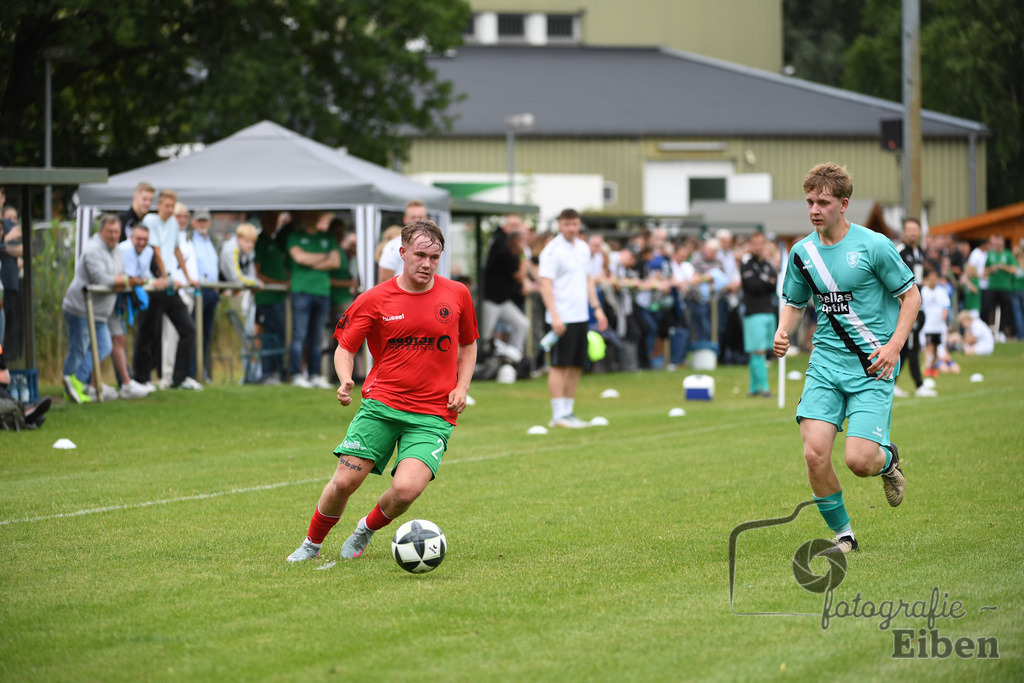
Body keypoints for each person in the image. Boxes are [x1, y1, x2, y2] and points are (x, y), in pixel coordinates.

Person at [286, 219, 478, 562]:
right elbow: (345, 348)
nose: (427, 264)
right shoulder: (375, 299)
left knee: (406, 490)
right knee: (344, 482)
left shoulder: (457, 294)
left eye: (434, 257)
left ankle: (366, 530)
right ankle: (311, 544)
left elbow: (468, 344)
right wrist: (345, 378)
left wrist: (462, 386)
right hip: (382, 405)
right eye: (420, 255)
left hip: (433, 412)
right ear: (402, 253)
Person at [774, 162, 919, 555]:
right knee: (814, 453)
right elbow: (793, 303)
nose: (814, 210)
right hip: (825, 364)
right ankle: (845, 537)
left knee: (859, 460)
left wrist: (894, 346)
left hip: (874, 365)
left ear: (844, 204)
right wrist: (783, 330)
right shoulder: (801, 252)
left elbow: (912, 297)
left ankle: (888, 460)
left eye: (823, 202)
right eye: (809, 202)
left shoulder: (874, 245)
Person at [61, 214, 145, 404]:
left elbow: (120, 276)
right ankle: (70, 388)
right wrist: (123, 281)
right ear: (101, 231)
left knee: (105, 346)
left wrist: (121, 281)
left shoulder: (116, 251)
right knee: (78, 349)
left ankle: (77, 381)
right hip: (80, 308)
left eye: (116, 232)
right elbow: (104, 280)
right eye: (110, 231)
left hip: (100, 313)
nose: (114, 235)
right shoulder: (92, 250)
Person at [538, 209, 608, 428]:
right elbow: (545, 285)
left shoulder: (583, 248)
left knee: (577, 365)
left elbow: (588, 281)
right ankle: (557, 415)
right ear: (560, 225)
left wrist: (596, 308)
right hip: (562, 318)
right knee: (560, 365)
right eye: (567, 224)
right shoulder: (551, 251)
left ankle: (568, 412)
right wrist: (555, 315)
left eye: (575, 224)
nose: (571, 228)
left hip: (581, 315)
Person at [135, 189, 201, 390]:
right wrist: (164, 277)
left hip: (168, 286)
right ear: (159, 205)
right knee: (148, 333)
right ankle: (141, 379)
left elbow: (176, 249)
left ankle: (179, 379)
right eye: (166, 205)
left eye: (173, 206)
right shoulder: (151, 220)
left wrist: (189, 277)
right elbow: (155, 251)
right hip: (153, 285)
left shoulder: (173, 224)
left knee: (188, 329)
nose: (170, 210)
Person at [287, 211, 341, 388]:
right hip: (301, 291)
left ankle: (315, 375)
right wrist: (324, 256)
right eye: (308, 215)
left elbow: (336, 262)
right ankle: (296, 374)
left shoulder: (327, 237)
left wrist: (311, 261)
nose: (311, 217)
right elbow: (299, 257)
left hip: (322, 291)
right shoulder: (295, 236)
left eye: (314, 215)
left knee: (317, 336)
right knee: (299, 335)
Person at [160, 203, 200, 389]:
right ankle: (168, 376)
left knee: (186, 334)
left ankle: (180, 376)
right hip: (174, 293)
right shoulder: (168, 238)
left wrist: (193, 280)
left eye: (185, 216)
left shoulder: (188, 239)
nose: (182, 219)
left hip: (189, 293)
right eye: (178, 216)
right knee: (171, 336)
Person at [481, 215, 531, 360]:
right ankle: (481, 364)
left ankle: (513, 357)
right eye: (513, 226)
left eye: (518, 227)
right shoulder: (501, 244)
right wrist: (523, 255)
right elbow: (519, 274)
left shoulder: (509, 244)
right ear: (505, 227)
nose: (516, 231)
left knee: (522, 324)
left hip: (503, 300)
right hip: (490, 300)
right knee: (485, 335)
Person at [894, 218, 930, 397]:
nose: (913, 233)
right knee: (908, 345)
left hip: (919, 305)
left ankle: (899, 383)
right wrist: (903, 305)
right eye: (910, 230)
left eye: (916, 230)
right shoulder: (900, 251)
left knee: (912, 344)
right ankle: (917, 384)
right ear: (904, 232)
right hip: (906, 306)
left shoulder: (920, 252)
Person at [254, 214, 290, 384]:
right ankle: (267, 373)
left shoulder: (274, 241)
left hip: (278, 297)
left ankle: (275, 372)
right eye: (268, 219)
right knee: (271, 335)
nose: (271, 223)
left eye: (273, 219)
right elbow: (257, 272)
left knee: (278, 334)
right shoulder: (260, 241)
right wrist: (280, 283)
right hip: (267, 297)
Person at [740, 231, 777, 397]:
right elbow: (752, 285)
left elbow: (773, 285)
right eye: (755, 243)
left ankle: (753, 389)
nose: (758, 246)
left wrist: (765, 282)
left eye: (761, 243)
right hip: (754, 311)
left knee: (759, 350)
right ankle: (765, 387)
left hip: (768, 310)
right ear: (750, 244)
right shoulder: (746, 263)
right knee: (758, 350)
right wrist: (765, 282)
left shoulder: (768, 264)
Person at [190, 208, 220, 381]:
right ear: (194, 222)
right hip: (197, 292)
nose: (202, 224)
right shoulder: (189, 239)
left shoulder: (213, 241)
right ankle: (193, 370)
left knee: (206, 334)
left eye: (205, 221)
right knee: (195, 332)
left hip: (212, 291)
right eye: (199, 220)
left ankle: (201, 370)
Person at [377, 200, 429, 283]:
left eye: (420, 217)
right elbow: (384, 282)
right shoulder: (393, 246)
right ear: (405, 219)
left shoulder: (432, 245)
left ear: (426, 219)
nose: (417, 221)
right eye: (413, 217)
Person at [0, 187, 23, 361]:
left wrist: (3, 246)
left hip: (9, 284)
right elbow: (12, 248)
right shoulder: (10, 231)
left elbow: (20, 250)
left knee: (8, 330)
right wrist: (6, 240)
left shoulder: (10, 225)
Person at [919, 267, 951, 378]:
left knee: (936, 348)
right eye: (931, 278)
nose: (933, 280)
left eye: (934, 278)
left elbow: (946, 305)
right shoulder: (923, 291)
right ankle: (928, 367)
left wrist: (944, 315)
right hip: (928, 325)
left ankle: (934, 367)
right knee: (928, 347)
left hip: (938, 326)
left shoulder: (941, 291)